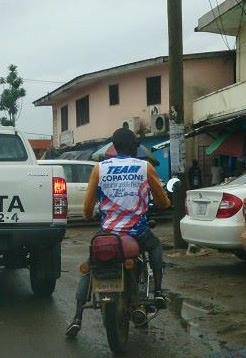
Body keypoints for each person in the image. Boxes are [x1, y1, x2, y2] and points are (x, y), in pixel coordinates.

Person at [66, 127, 172, 338]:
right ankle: (158, 292)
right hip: (137, 233)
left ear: (113, 146)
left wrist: (89, 216)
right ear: (135, 146)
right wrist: (165, 203)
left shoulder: (100, 168)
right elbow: (161, 201)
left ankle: (77, 316)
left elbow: (88, 207)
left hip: (108, 234)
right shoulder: (145, 167)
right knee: (156, 245)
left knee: (91, 265)